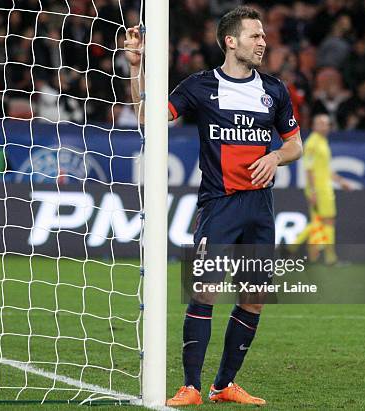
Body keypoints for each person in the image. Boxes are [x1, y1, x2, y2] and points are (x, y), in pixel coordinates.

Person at [125, 6, 303, 406]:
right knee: (205, 292)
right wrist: (137, 68)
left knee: (253, 297)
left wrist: (276, 157)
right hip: (218, 206)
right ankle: (190, 386)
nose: (263, 42)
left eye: (263, 36)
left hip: (261, 207)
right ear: (230, 41)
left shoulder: (273, 89)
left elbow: (295, 144)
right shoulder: (200, 86)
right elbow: (146, 118)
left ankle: (224, 385)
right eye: (255, 36)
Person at [290, 114, 352, 264]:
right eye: (321, 123)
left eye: (327, 123)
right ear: (314, 126)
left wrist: (340, 180)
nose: (325, 126)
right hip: (318, 189)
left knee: (319, 222)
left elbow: (325, 169)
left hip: (324, 187)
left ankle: (297, 248)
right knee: (327, 221)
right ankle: (329, 258)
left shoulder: (323, 142)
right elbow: (309, 169)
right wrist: (312, 191)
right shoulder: (312, 143)